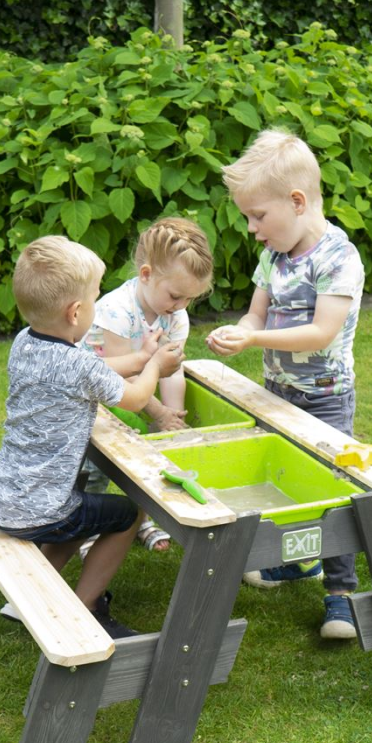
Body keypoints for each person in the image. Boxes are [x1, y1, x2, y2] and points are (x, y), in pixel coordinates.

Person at [206, 128, 366, 641]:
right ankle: (294, 562)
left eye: (258, 216)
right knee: (283, 482)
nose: (252, 229)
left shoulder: (338, 258)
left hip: (325, 400)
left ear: (297, 202)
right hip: (279, 392)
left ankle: (340, 595)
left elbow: (321, 333)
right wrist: (240, 333)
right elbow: (257, 315)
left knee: (333, 491)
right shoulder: (274, 256)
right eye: (247, 217)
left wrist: (256, 342)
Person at [0, 235, 184, 638]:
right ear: (76, 312)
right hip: (39, 509)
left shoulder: (25, 342)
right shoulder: (78, 367)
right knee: (126, 514)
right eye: (94, 298)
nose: (97, 304)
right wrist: (156, 366)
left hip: (4, 494)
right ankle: (88, 605)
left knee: (79, 505)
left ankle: (35, 590)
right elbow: (137, 396)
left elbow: (96, 368)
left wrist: (141, 357)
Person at [77, 216, 214, 554]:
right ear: (147, 275)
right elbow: (119, 378)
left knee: (147, 460)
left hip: (139, 392)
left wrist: (171, 417)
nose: (181, 307)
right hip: (94, 397)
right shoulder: (116, 311)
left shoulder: (174, 313)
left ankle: (144, 516)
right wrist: (156, 411)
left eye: (189, 301)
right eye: (176, 296)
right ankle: (89, 529)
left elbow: (172, 368)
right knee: (96, 468)